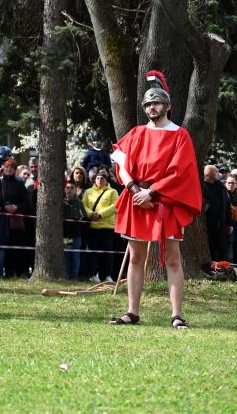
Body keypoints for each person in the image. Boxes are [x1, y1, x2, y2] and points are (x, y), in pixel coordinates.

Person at [108, 70, 201, 328]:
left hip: (165, 201)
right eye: (148, 104)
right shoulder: (136, 133)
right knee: (136, 257)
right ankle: (132, 312)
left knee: (172, 258)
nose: (152, 107)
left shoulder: (179, 135)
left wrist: (153, 192)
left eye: (157, 103)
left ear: (167, 105)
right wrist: (135, 189)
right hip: (137, 197)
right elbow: (120, 161)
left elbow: (180, 172)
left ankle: (176, 315)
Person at [81, 171, 119, 283]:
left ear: (106, 180)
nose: (99, 180)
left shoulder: (113, 191)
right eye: (97, 178)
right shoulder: (88, 192)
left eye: (102, 178)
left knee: (107, 253)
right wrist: (91, 214)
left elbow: (115, 206)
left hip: (107, 227)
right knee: (93, 252)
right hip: (93, 227)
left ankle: (106, 275)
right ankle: (93, 274)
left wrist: (100, 214)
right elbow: (83, 206)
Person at [201, 165, 230, 262]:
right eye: (216, 172)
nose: (219, 174)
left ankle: (224, 270)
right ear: (208, 173)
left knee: (222, 248)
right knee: (211, 248)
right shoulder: (201, 186)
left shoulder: (220, 186)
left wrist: (229, 223)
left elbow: (227, 204)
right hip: (207, 224)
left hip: (221, 223)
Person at [62, 180, 88, 279]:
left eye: (72, 188)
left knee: (75, 255)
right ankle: (68, 274)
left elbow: (84, 216)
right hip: (65, 233)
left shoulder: (79, 203)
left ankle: (74, 275)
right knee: (67, 254)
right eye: (68, 188)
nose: (69, 190)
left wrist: (77, 224)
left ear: (76, 190)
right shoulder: (62, 203)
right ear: (65, 189)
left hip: (76, 234)